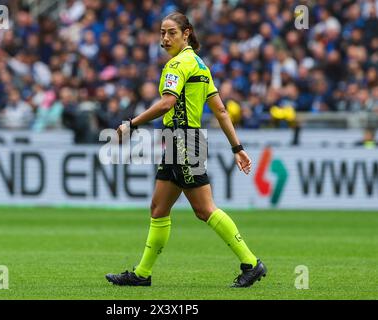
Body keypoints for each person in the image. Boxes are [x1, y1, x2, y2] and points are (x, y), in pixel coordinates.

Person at [105, 12, 267, 288]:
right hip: (181, 141)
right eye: (161, 33)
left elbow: (167, 104)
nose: (164, 38)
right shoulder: (200, 66)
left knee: (204, 209)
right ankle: (142, 274)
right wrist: (237, 148)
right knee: (158, 208)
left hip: (183, 140)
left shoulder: (177, 65)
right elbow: (221, 110)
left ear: (187, 33)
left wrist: (130, 125)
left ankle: (251, 263)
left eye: (171, 32)